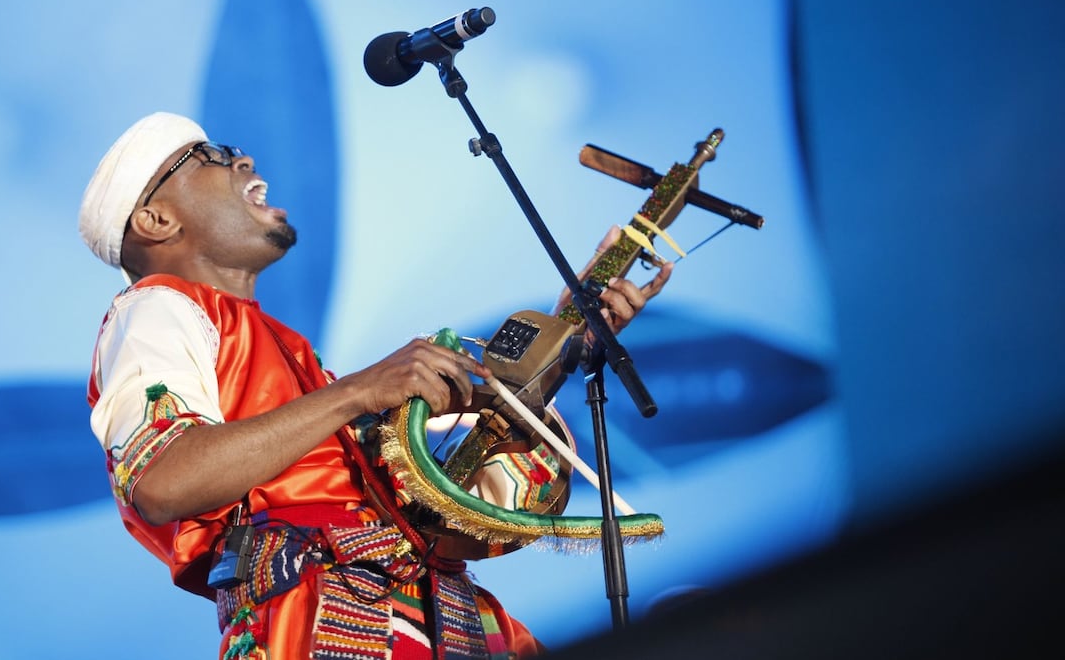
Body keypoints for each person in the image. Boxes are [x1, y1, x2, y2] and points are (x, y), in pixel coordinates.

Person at [78, 112, 673, 659]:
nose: (243, 162)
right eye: (210, 155)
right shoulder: (155, 308)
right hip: (328, 621)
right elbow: (163, 480)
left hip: (439, 616)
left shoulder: (293, 357)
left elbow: (443, 507)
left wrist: (565, 343)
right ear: (156, 220)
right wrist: (358, 392)